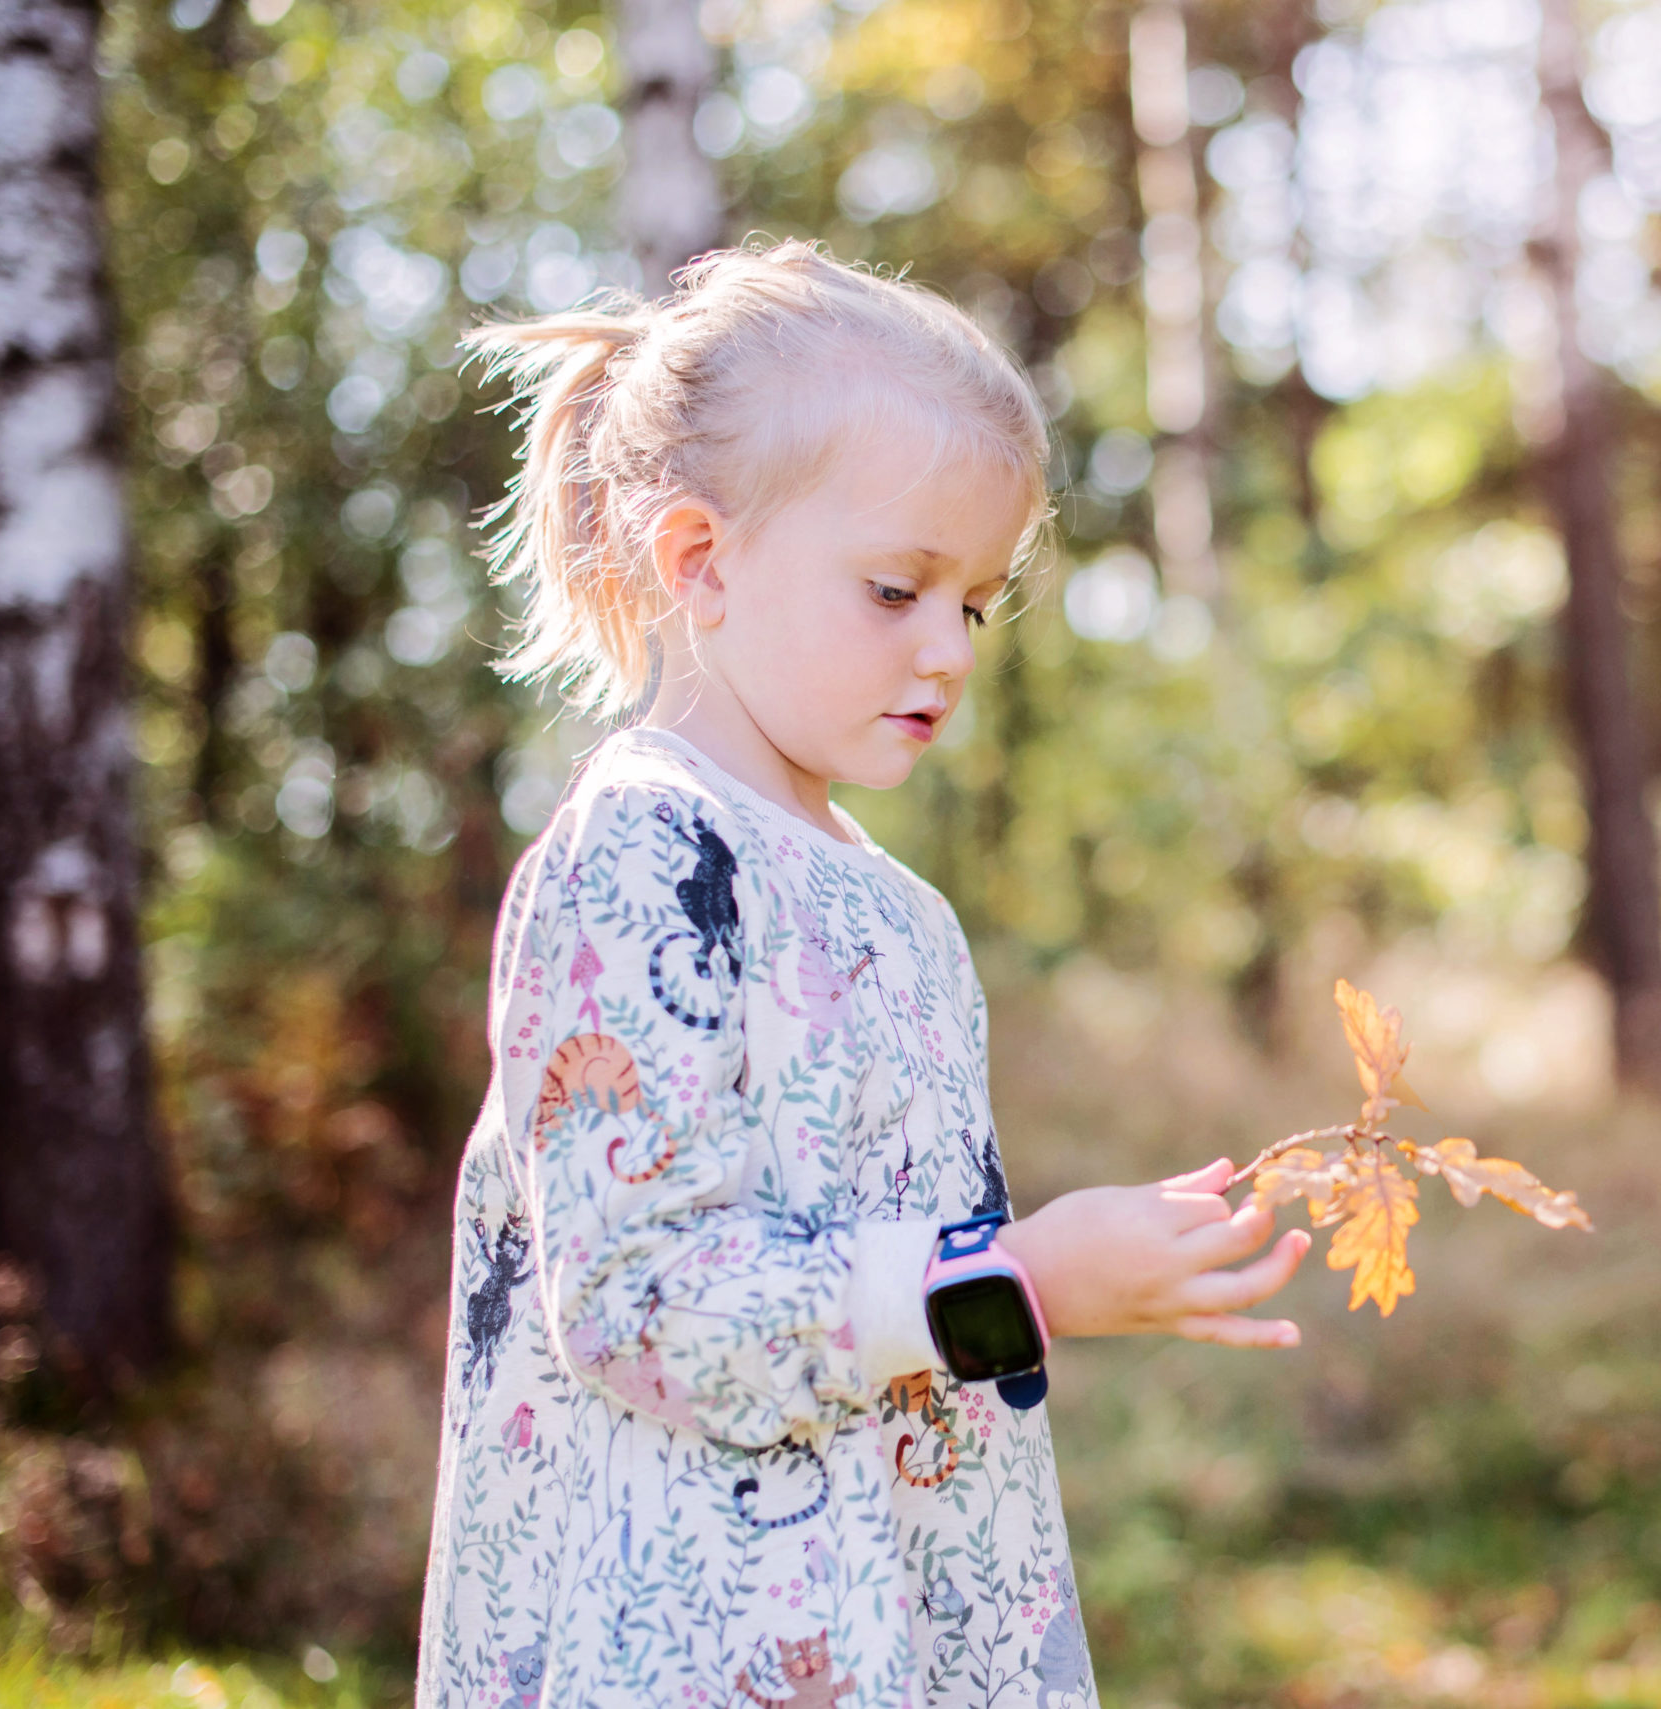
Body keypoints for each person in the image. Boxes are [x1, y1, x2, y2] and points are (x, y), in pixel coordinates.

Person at [416, 241, 1310, 1709]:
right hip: (697, 1643)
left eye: (976, 601)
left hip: (896, 1623)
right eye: (896, 587)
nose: (948, 650)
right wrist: (1015, 1278)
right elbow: (639, 1301)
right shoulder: (642, 857)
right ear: (700, 561)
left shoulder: (904, 915)